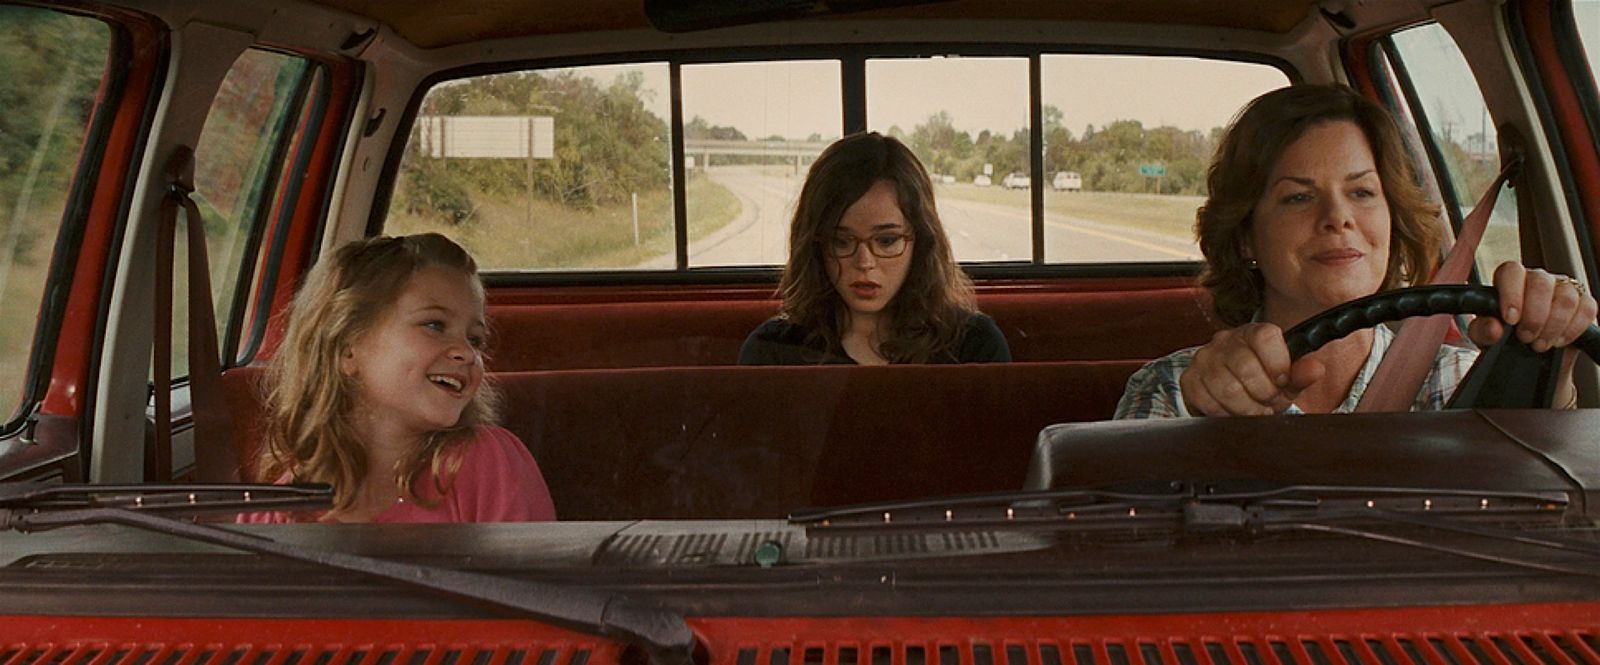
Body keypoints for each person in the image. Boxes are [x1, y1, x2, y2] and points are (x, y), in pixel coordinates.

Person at [1116, 84, 1598, 418]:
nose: (1338, 217)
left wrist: (1550, 358)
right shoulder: (1177, 390)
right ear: (1245, 235)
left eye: (1363, 192)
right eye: (1298, 197)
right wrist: (1203, 429)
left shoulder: (1458, 382)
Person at [241, 233, 556, 523]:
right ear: (347, 349)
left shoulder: (486, 463)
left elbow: (535, 582)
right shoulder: (281, 509)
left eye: (475, 339)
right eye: (434, 325)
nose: (466, 352)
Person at [738, 132, 1011, 365]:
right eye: (841, 242)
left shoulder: (972, 345)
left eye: (887, 241)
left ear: (922, 241)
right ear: (815, 245)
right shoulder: (772, 349)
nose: (865, 262)